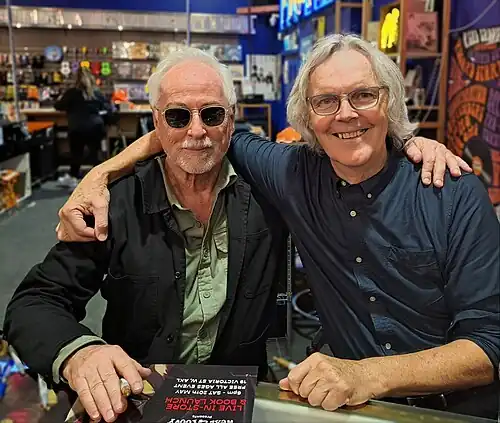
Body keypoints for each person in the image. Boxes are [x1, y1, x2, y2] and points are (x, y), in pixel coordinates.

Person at [51, 35, 499, 420]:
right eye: (326, 101)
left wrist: (367, 374)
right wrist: (101, 173)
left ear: (390, 101)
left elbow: (491, 343)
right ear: (308, 116)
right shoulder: (292, 173)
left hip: (454, 409)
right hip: (348, 406)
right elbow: (197, 132)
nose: (346, 114)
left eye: (364, 95)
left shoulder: (451, 191)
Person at [4, 48, 288, 423]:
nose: (197, 131)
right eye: (177, 116)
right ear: (157, 122)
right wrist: (81, 354)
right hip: (138, 400)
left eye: (212, 114)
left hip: (237, 397)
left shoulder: (271, 196)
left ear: (231, 119)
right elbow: (35, 301)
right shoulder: (117, 202)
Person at [54, 67, 111, 188]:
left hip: (77, 127)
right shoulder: (97, 93)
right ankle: (99, 181)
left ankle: (74, 177)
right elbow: (107, 108)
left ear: (77, 80)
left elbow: (58, 106)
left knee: (76, 153)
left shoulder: (71, 93)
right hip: (95, 127)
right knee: (95, 153)